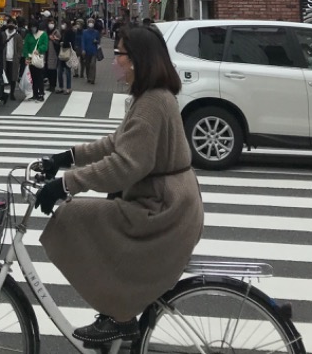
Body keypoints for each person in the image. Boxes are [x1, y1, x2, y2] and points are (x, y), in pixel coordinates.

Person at [33, 25, 204, 348]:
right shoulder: (150, 97)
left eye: (119, 54)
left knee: (73, 217)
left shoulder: (152, 102)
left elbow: (125, 165)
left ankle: (119, 316)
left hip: (162, 211)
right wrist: (66, 157)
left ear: (137, 60)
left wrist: (66, 185)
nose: (115, 61)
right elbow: (117, 143)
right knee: (93, 218)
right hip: (166, 203)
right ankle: (118, 314)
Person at [22, 17, 49, 101]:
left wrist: (39, 49)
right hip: (30, 57)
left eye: (34, 26)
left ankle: (41, 93)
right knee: (33, 77)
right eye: (31, 27)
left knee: (39, 76)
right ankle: (35, 94)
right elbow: (25, 47)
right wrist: (26, 57)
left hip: (38, 57)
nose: (33, 28)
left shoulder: (43, 34)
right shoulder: (28, 36)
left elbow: (45, 45)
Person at [0, 18, 21, 100]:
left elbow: (20, 48)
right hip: (4, 59)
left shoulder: (17, 36)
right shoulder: (3, 35)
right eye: (10, 23)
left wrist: (18, 56)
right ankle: (2, 93)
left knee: (13, 77)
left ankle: (12, 93)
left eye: (13, 23)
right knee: (4, 76)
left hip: (13, 59)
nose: (11, 25)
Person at [56, 18, 75, 95]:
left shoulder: (70, 32)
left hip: (67, 53)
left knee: (67, 71)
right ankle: (61, 87)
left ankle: (68, 88)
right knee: (60, 71)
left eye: (64, 24)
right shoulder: (62, 32)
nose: (62, 25)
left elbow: (71, 43)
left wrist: (62, 43)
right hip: (61, 53)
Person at [81, 18, 100, 84]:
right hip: (86, 50)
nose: (91, 23)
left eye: (92, 22)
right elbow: (83, 41)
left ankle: (92, 79)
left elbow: (98, 41)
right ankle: (88, 77)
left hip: (94, 50)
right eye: (89, 22)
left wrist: (96, 41)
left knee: (92, 64)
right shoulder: (84, 32)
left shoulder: (96, 32)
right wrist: (83, 49)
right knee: (87, 65)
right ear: (87, 23)